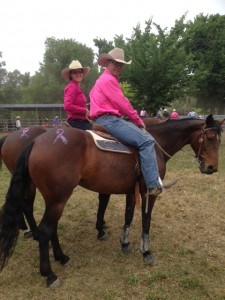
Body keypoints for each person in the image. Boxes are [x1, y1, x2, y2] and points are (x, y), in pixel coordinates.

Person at [90, 47, 176, 197]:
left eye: (121, 64)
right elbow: (122, 104)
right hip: (109, 120)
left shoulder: (101, 80)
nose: (118, 67)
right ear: (107, 63)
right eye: (115, 63)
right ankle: (153, 185)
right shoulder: (109, 80)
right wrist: (137, 120)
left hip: (102, 119)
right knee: (147, 141)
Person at [62, 60, 91, 130]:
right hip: (76, 122)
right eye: (75, 72)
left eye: (80, 71)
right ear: (71, 75)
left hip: (81, 120)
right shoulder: (72, 87)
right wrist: (84, 110)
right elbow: (67, 106)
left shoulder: (76, 87)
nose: (78, 74)